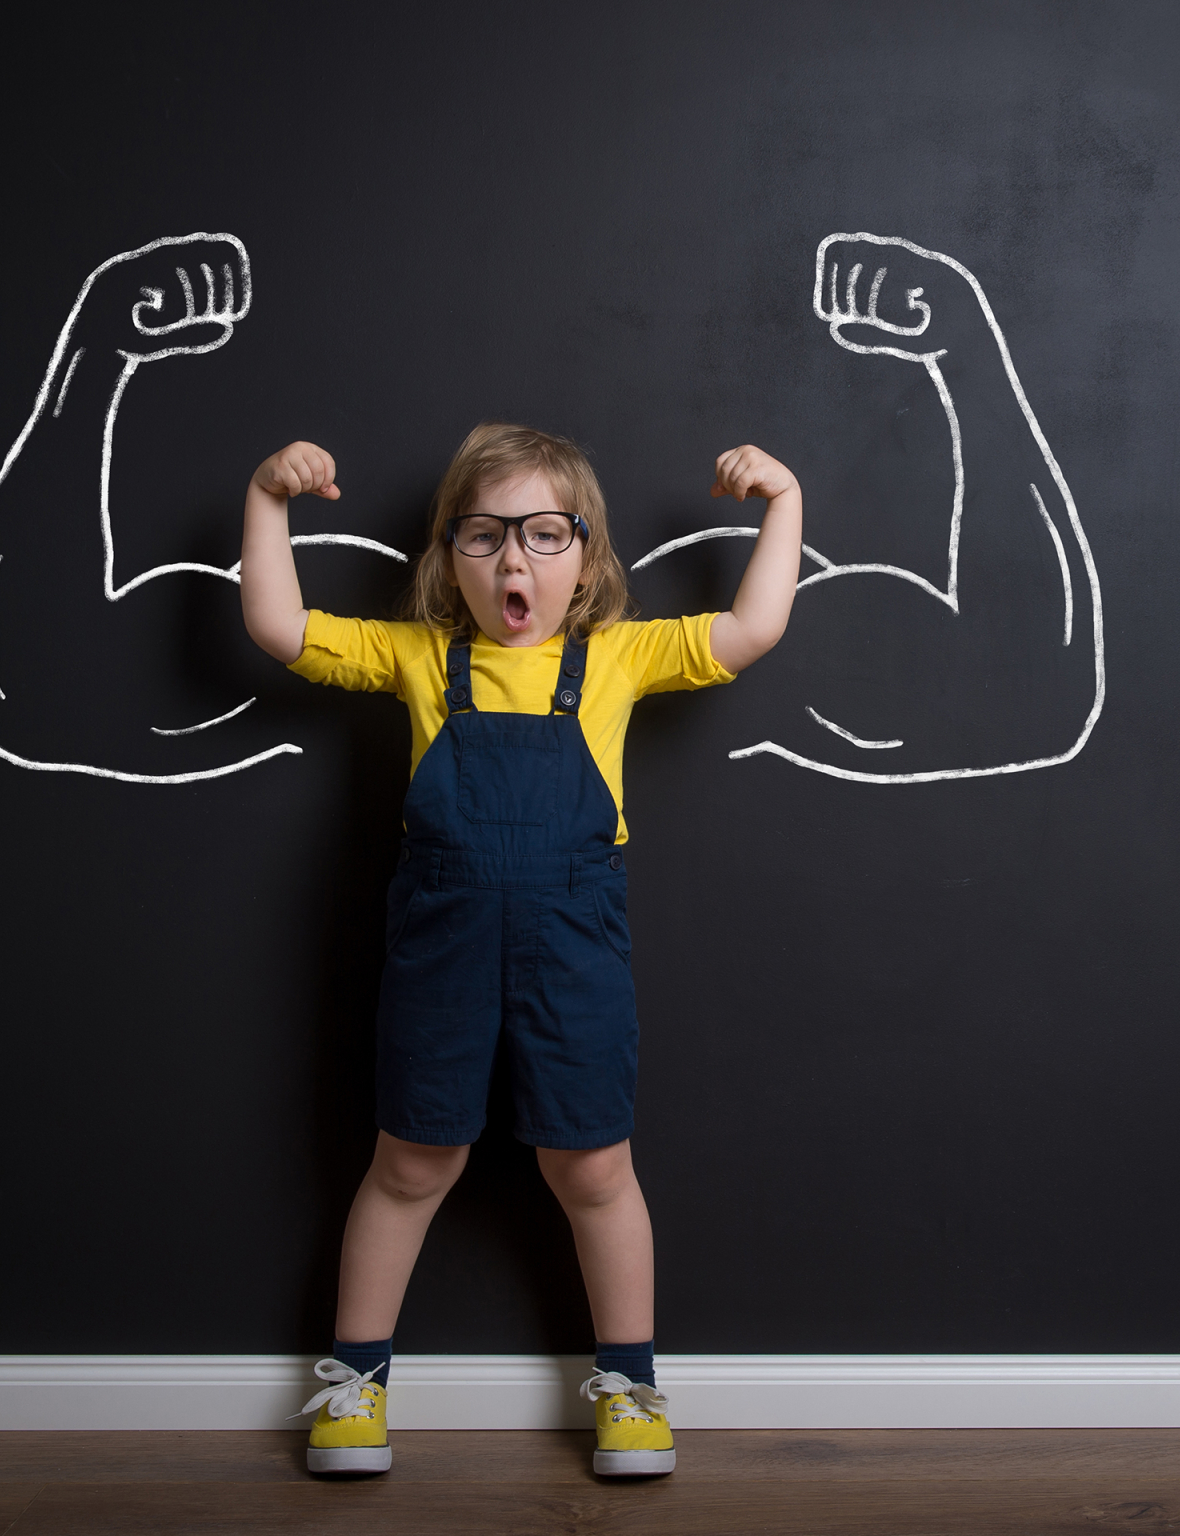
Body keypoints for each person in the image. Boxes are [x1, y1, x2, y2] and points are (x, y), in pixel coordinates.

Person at [240, 422, 801, 1477]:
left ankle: (629, 1387)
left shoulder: (620, 659)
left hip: (574, 946)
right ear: (445, 558)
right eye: (485, 535)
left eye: (545, 534)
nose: (513, 560)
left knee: (592, 1165)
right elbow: (275, 624)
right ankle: (355, 1383)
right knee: (409, 1162)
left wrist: (785, 502)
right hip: (440, 946)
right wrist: (267, 500)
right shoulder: (416, 657)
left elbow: (754, 627)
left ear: (585, 558)